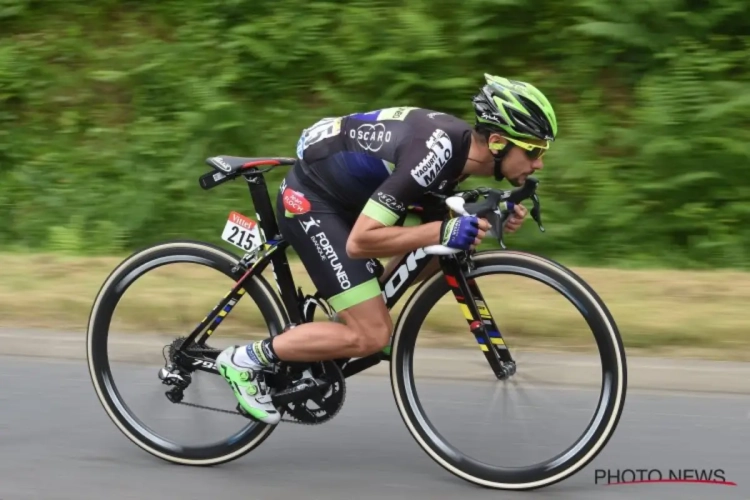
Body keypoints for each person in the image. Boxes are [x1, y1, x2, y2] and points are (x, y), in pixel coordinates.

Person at [215, 73, 557, 424]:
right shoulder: (434, 153)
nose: (539, 163)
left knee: (445, 251)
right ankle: (244, 361)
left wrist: (490, 211)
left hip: (349, 192)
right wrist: (442, 230)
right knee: (373, 333)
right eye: (533, 150)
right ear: (498, 142)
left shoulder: (460, 153)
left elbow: (436, 215)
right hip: (313, 198)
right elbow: (362, 241)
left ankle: (346, 322)